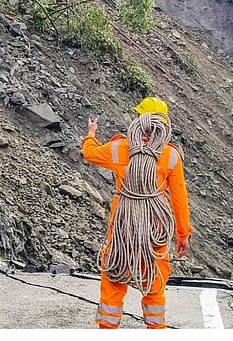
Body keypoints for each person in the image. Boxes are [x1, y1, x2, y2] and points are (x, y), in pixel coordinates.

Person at [82, 96, 192, 329]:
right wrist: (183, 234)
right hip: (155, 229)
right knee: (154, 281)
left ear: (140, 119)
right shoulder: (171, 155)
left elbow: (90, 154)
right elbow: (179, 200)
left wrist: (91, 134)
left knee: (114, 274)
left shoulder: (119, 148)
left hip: (124, 226)